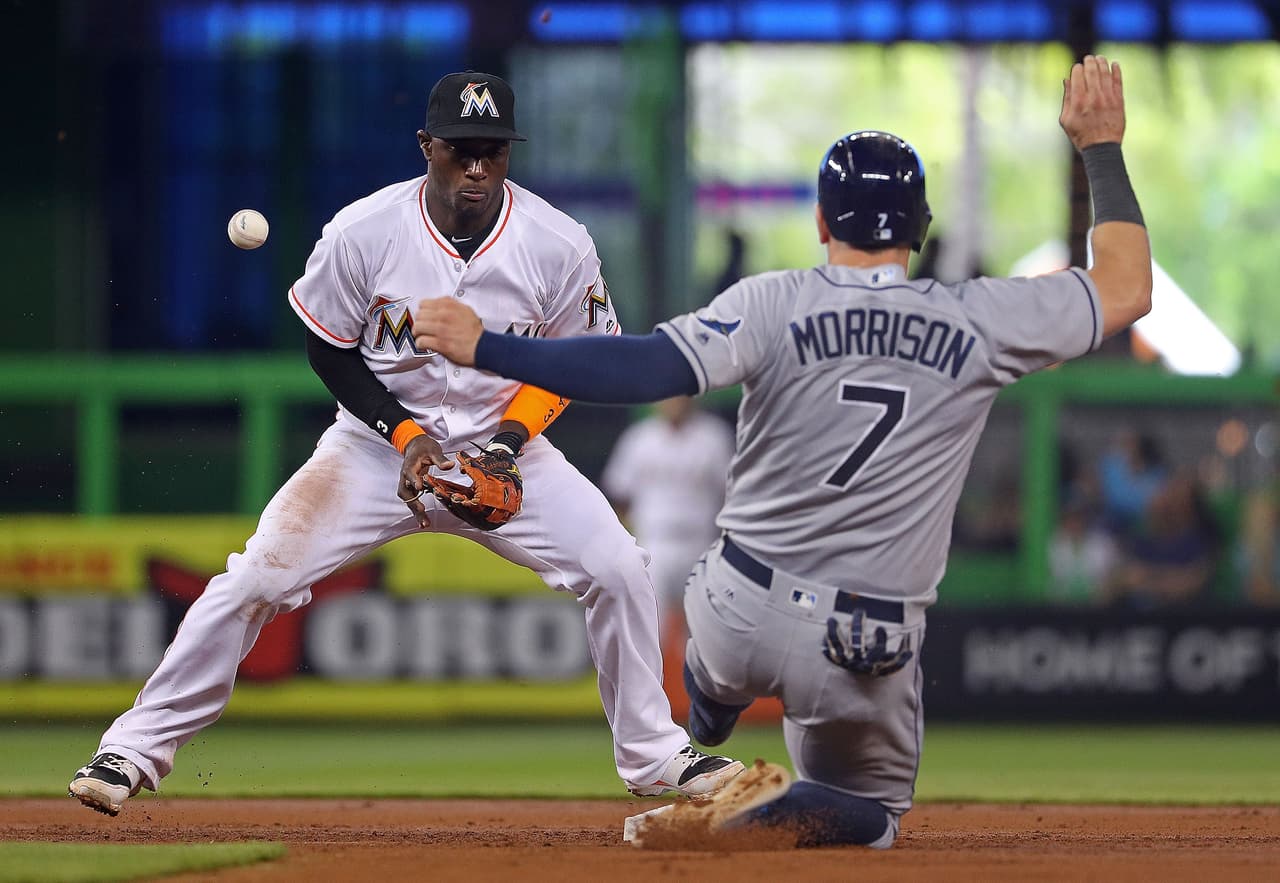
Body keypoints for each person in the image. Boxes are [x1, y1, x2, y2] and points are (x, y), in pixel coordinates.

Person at [412, 56, 1152, 847]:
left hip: (741, 608)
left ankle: (711, 707)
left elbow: (647, 365)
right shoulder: (983, 319)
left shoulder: (774, 301)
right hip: (869, 639)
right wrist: (1100, 144)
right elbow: (1126, 288)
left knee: (709, 642)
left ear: (824, 224)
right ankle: (754, 810)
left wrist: (489, 346)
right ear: (921, 228)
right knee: (871, 817)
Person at [67, 71, 744, 817]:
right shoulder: (364, 232)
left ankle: (655, 757)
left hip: (503, 446)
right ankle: (131, 748)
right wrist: (408, 434)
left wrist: (511, 442)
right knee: (256, 577)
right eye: (461, 150)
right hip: (371, 449)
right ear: (427, 147)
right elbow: (327, 350)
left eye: (493, 150)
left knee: (618, 565)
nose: (478, 167)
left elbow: (577, 359)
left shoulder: (557, 243)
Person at [601, 396, 734, 642]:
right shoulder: (639, 438)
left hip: (701, 544)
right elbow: (620, 495)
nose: (674, 403)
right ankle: (645, 682)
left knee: (704, 638)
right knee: (647, 633)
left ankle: (698, 681)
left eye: (679, 396)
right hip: (653, 544)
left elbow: (730, 495)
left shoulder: (713, 436)